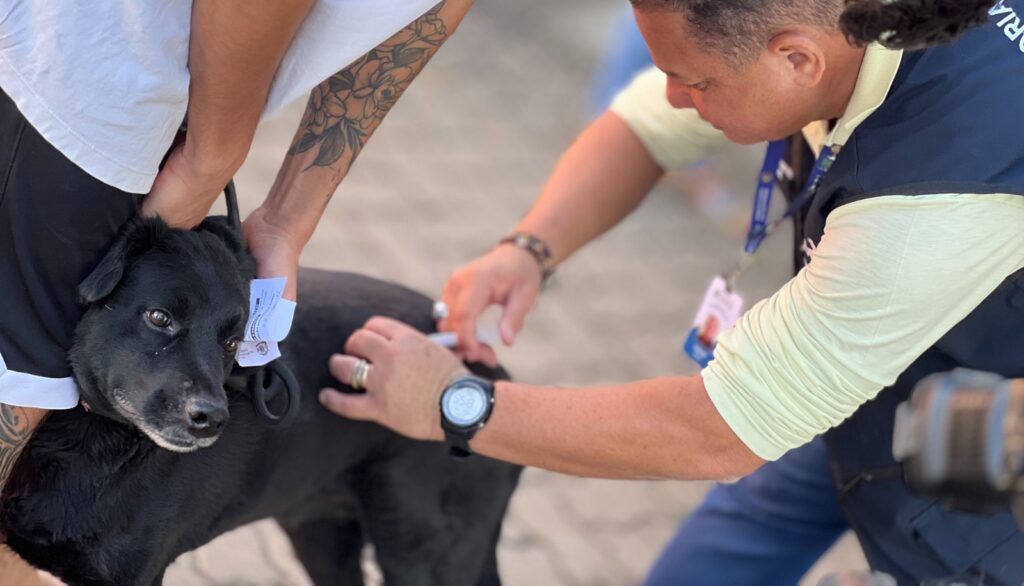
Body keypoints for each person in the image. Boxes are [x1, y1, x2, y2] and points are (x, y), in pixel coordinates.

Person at [319, 0, 1024, 583]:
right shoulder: (835, 26)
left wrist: (453, 404)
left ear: (798, 60)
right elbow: (647, 126)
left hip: (982, 452)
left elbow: (720, 430)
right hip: (853, 392)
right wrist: (529, 249)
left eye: (694, 82)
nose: (672, 95)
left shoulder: (928, 203)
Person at [0, 0, 472, 577]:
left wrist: (286, 219)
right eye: (161, 322)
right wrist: (210, 158)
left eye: (228, 346)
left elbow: (417, 10)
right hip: (80, 100)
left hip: (132, 114)